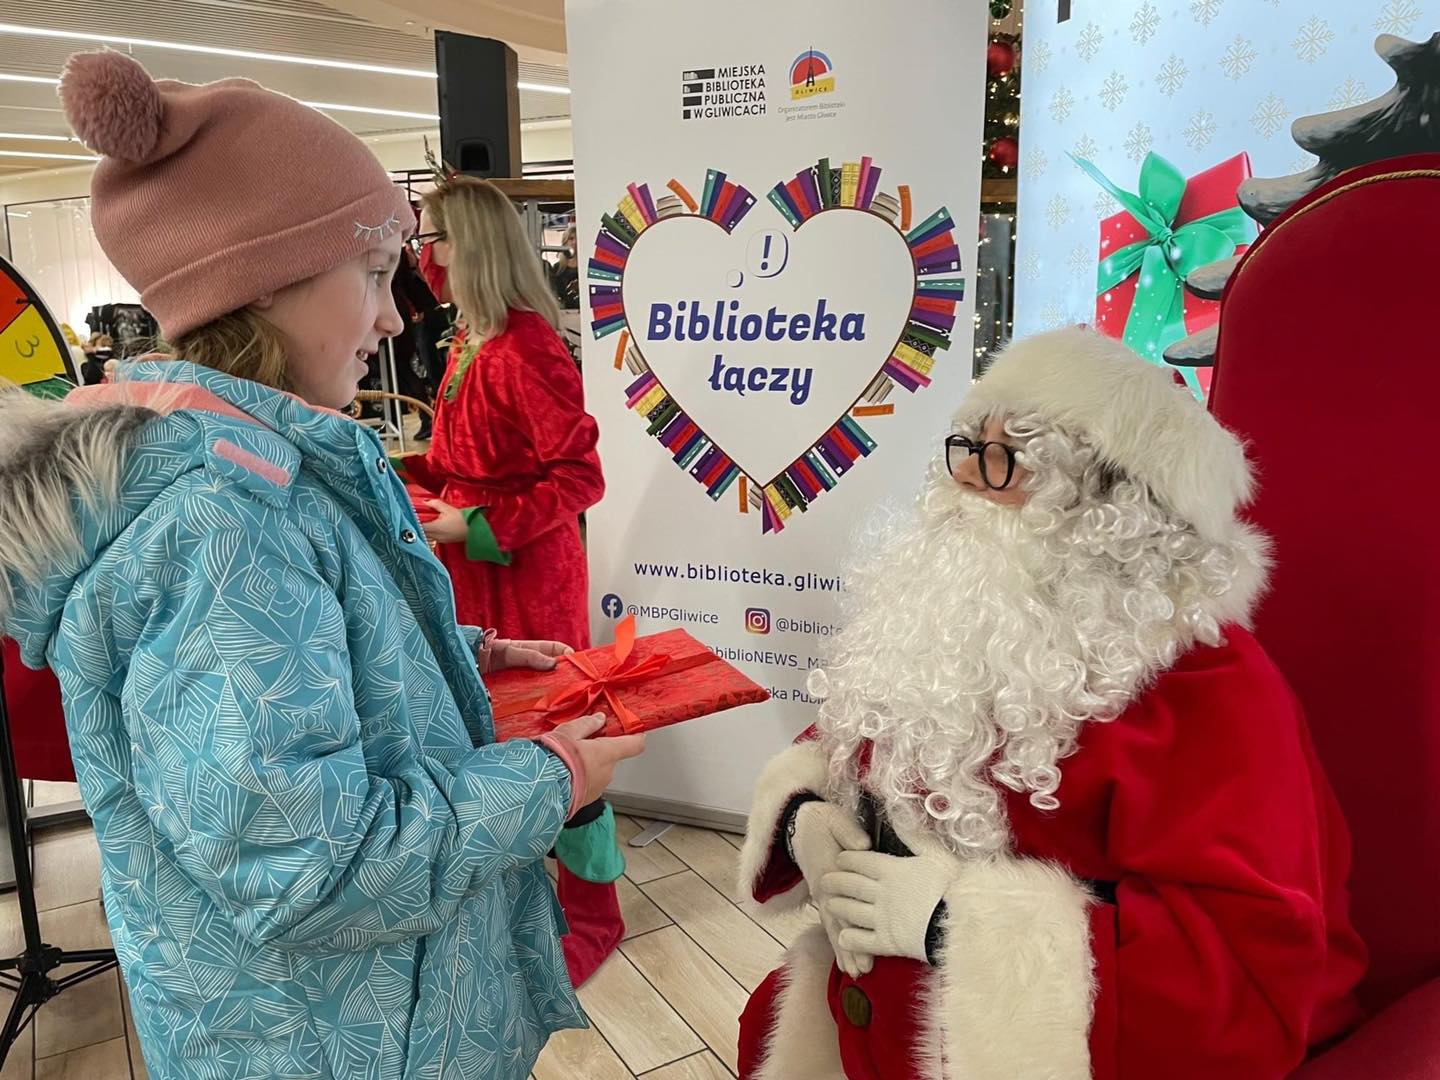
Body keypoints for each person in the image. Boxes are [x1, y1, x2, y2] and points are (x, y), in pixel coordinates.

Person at [0, 50, 643, 1080]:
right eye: (377, 273)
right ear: (266, 283)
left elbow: (311, 669)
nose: (396, 316)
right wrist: (551, 781)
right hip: (342, 1042)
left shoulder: (257, 477)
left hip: (366, 1021)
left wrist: (463, 657)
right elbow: (310, 868)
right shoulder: (220, 530)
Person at [736, 329, 1367, 1079]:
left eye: (1009, 457)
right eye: (967, 445)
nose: (967, 478)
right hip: (868, 1013)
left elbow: (1241, 966)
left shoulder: (1207, 687)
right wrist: (809, 814)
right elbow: (857, 732)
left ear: (1110, 510)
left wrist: (949, 925)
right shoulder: (962, 614)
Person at [403, 178, 622, 988]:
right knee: (494, 735)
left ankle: (594, 914)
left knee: (562, 736)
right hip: (473, 574)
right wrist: (413, 479)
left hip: (530, 577)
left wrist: (477, 526)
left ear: (472, 244)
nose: (424, 256)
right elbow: (465, 457)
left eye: (434, 238)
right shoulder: (470, 337)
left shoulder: (526, 346)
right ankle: (526, 904)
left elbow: (580, 478)